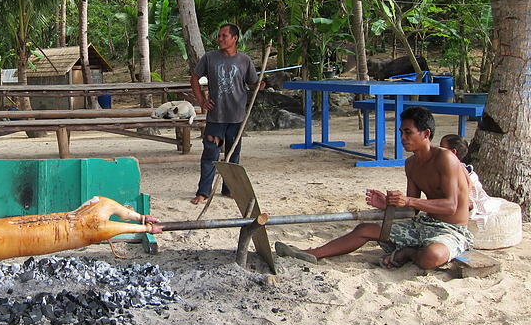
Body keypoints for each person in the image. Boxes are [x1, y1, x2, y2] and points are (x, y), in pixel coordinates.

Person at [275, 106, 474, 269]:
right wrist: (388, 204)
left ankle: (408, 253)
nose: (403, 137)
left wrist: (408, 200)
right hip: (423, 225)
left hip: (452, 230)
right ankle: (310, 254)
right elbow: (413, 211)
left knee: (432, 256)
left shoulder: (445, 158)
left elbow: (451, 206)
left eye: (408, 132)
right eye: (401, 132)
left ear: (426, 133)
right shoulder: (411, 164)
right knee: (364, 229)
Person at [189, 24, 264, 205]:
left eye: (224, 36)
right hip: (216, 117)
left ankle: (229, 189)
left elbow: (253, 83)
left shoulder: (244, 60)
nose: (220, 39)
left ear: (234, 39)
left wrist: (261, 84)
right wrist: (201, 101)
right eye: (219, 36)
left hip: (237, 116)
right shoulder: (210, 58)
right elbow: (194, 78)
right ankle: (203, 192)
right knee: (210, 154)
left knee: (233, 155)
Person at [439, 134, 492, 217]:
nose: (438, 149)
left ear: (453, 152)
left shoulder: (458, 166)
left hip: (469, 191)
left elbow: (469, 184)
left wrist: (464, 199)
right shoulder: (445, 165)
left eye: (442, 147)